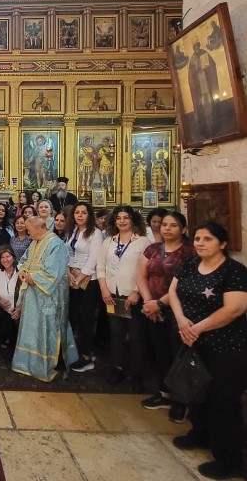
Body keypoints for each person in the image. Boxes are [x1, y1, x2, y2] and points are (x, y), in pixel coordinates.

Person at [168, 222, 247, 480]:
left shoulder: (233, 271)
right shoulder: (191, 263)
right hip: (192, 339)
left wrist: (197, 328)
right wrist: (181, 320)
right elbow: (173, 290)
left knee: (223, 401)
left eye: (208, 239)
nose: (200, 243)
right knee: (196, 390)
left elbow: (234, 309)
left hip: (225, 345)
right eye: (198, 238)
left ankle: (229, 459)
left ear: (222, 244)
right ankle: (199, 435)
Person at [137, 211, 195, 422]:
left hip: (178, 310)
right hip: (152, 306)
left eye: (173, 225)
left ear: (183, 229)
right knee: (160, 351)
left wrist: (160, 303)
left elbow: (185, 284)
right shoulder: (152, 249)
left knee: (178, 354)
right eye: (164, 225)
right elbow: (142, 275)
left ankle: (181, 400)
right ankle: (164, 392)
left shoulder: (189, 252)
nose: (167, 229)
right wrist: (148, 302)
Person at [11, 217, 78, 381]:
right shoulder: (35, 242)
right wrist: (22, 272)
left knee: (48, 329)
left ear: (39, 227)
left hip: (49, 297)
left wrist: (31, 277)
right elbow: (24, 261)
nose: (28, 233)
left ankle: (52, 364)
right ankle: (28, 363)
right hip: (33, 296)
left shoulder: (56, 245)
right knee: (33, 329)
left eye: (29, 230)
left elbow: (53, 273)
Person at [96, 206, 151, 386]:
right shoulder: (109, 242)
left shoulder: (143, 242)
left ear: (133, 220)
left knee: (136, 336)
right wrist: (104, 290)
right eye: (118, 218)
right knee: (116, 334)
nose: (121, 221)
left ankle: (137, 373)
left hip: (133, 296)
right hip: (112, 295)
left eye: (125, 217)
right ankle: (117, 368)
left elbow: (147, 270)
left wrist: (136, 291)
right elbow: (100, 267)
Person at [65, 202, 105, 373]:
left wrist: (80, 277)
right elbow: (68, 253)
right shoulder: (72, 231)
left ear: (90, 215)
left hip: (89, 280)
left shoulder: (95, 233)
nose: (79, 215)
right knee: (73, 315)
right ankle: (74, 351)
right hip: (72, 277)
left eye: (83, 212)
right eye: (77, 212)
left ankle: (88, 356)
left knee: (86, 318)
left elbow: (94, 258)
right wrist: (69, 274)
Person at [0, 245, 23, 349]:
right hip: (4, 311)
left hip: (22, 311)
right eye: (2, 257)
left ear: (13, 257)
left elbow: (30, 294)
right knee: (2, 332)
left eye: (8, 256)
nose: (5, 260)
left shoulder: (22, 271)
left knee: (19, 343)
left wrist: (20, 309)